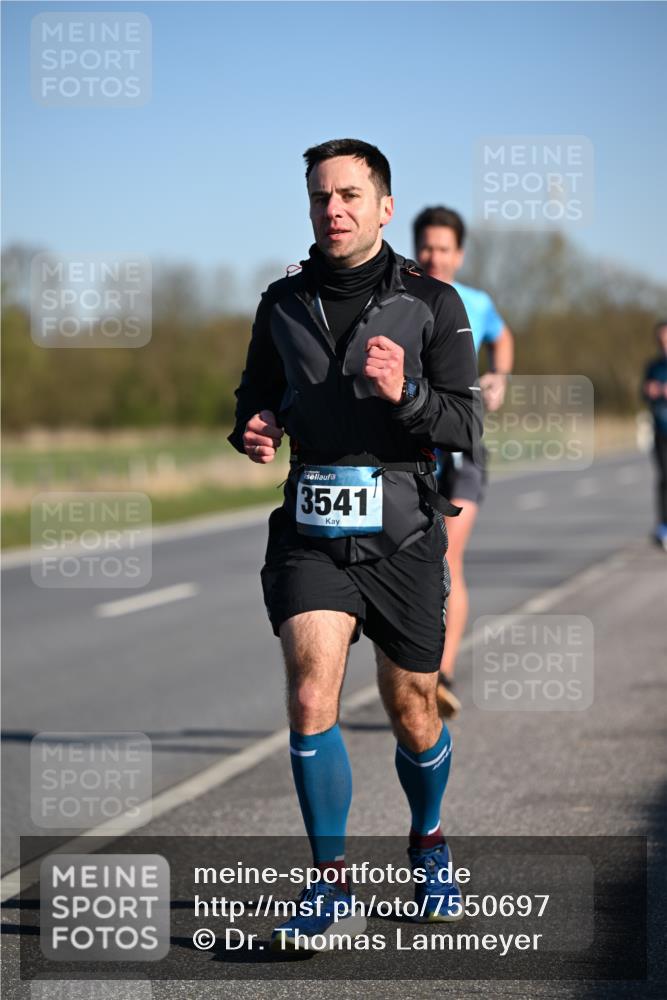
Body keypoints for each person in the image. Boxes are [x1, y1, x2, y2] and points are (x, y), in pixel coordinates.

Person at [228, 140, 481, 950]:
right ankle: (330, 884)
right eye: (317, 197)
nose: (330, 210)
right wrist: (253, 428)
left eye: (347, 195)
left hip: (404, 531)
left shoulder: (434, 304)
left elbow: (466, 425)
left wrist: (404, 392)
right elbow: (254, 397)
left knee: (411, 707)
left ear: (380, 208)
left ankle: (429, 843)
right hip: (311, 529)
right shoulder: (280, 303)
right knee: (310, 696)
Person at [413, 207, 514, 719]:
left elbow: (502, 336)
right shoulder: (398, 299)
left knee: (447, 555)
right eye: (426, 246)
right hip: (413, 449)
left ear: (460, 254)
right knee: (415, 560)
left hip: (465, 447)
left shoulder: (475, 302)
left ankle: (442, 674)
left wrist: (498, 377)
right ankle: (414, 670)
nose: (434, 256)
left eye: (444, 248)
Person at [641, 320, 667, 551]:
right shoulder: (653, 366)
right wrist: (650, 391)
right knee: (663, 476)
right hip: (660, 428)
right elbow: (644, 392)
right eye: (661, 339)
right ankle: (663, 526)